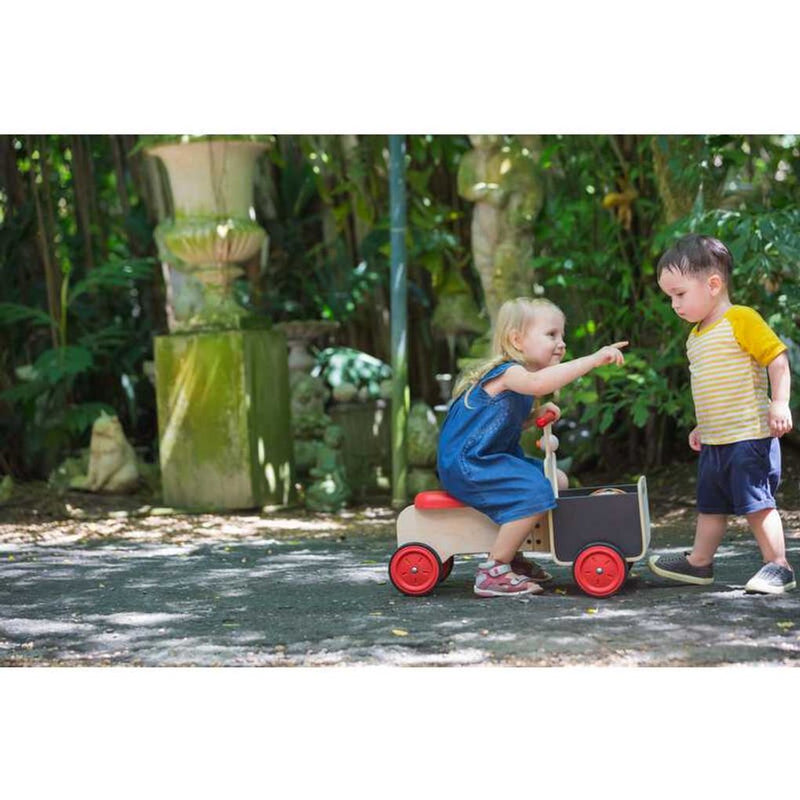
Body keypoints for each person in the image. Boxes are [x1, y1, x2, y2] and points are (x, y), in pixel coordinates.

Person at [437, 297, 628, 597]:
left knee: (558, 480)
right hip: (469, 463)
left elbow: (500, 422)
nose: (561, 343)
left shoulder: (522, 381)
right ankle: (494, 569)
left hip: (490, 459)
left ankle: (513, 553)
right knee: (536, 491)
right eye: (551, 335)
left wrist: (535, 417)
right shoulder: (509, 373)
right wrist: (592, 360)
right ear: (517, 339)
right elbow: (538, 384)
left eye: (562, 335)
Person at [649, 234, 795, 594]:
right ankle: (699, 563)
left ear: (713, 284)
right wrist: (704, 425)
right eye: (670, 297)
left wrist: (779, 403)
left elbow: (777, 360)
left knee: (757, 504)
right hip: (717, 439)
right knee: (710, 505)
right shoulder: (695, 337)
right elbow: (714, 387)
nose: (674, 304)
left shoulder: (740, 319)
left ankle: (779, 566)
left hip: (749, 435)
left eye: (680, 294)